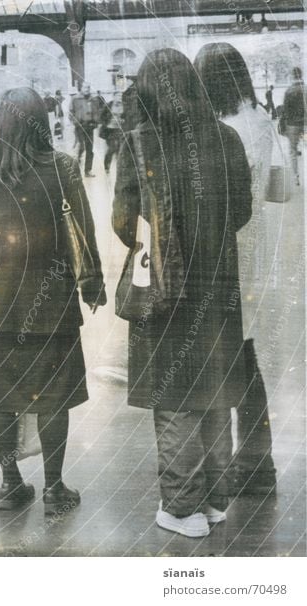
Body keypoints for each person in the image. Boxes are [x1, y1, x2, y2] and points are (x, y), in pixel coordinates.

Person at [112, 48, 252, 538]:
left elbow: (123, 224)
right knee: (216, 391)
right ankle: (215, 500)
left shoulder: (137, 144)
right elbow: (241, 213)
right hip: (217, 287)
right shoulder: (227, 138)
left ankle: (181, 507)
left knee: (175, 398)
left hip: (165, 291)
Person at [0, 87, 106, 513]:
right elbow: (83, 231)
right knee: (53, 395)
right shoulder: (63, 168)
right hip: (51, 300)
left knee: (1, 396)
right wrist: (92, 281)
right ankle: (55, 489)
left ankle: (10, 484)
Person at [195, 42, 278, 497]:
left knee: (226, 362)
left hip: (226, 254)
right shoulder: (262, 121)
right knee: (245, 358)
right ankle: (257, 462)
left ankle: (232, 465)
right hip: (256, 250)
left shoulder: (222, 131)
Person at [281, 67, 305, 185]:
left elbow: (285, 110)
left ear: (292, 76)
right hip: (305, 125)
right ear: (301, 75)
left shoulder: (289, 91)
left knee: (293, 151)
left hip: (292, 126)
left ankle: (296, 177)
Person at [69, 83, 99, 176]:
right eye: (85, 87)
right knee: (80, 147)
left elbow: (97, 112)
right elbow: (70, 113)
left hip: (90, 126)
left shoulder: (93, 99)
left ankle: (88, 170)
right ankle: (74, 168)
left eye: (88, 87)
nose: (87, 89)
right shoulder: (75, 99)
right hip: (80, 126)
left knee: (90, 149)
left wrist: (95, 122)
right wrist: (76, 122)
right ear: (81, 88)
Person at [100, 91, 125, 175]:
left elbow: (126, 115)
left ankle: (119, 167)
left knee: (120, 149)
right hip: (109, 129)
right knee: (112, 148)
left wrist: (123, 120)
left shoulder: (124, 105)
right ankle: (107, 166)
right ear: (114, 97)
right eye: (117, 96)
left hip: (119, 130)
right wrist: (105, 124)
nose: (119, 98)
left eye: (121, 96)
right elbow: (102, 116)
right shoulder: (109, 105)